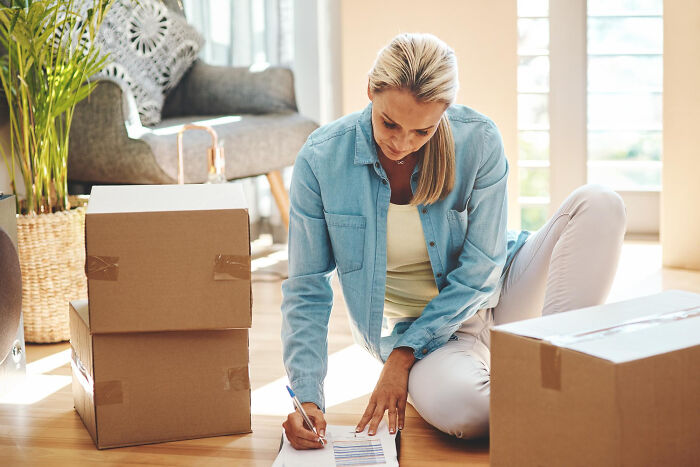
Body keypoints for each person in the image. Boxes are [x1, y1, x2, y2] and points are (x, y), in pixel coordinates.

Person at [280, 32, 626, 448]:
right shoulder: (321, 160)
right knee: (469, 415)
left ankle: (561, 375)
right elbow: (307, 287)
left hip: (507, 292)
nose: (401, 143)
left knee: (601, 203)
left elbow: (484, 267)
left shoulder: (477, 140)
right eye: (389, 122)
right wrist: (308, 398)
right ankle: (535, 388)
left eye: (422, 131)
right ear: (370, 90)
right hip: (432, 338)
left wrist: (401, 357)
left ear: (444, 113)